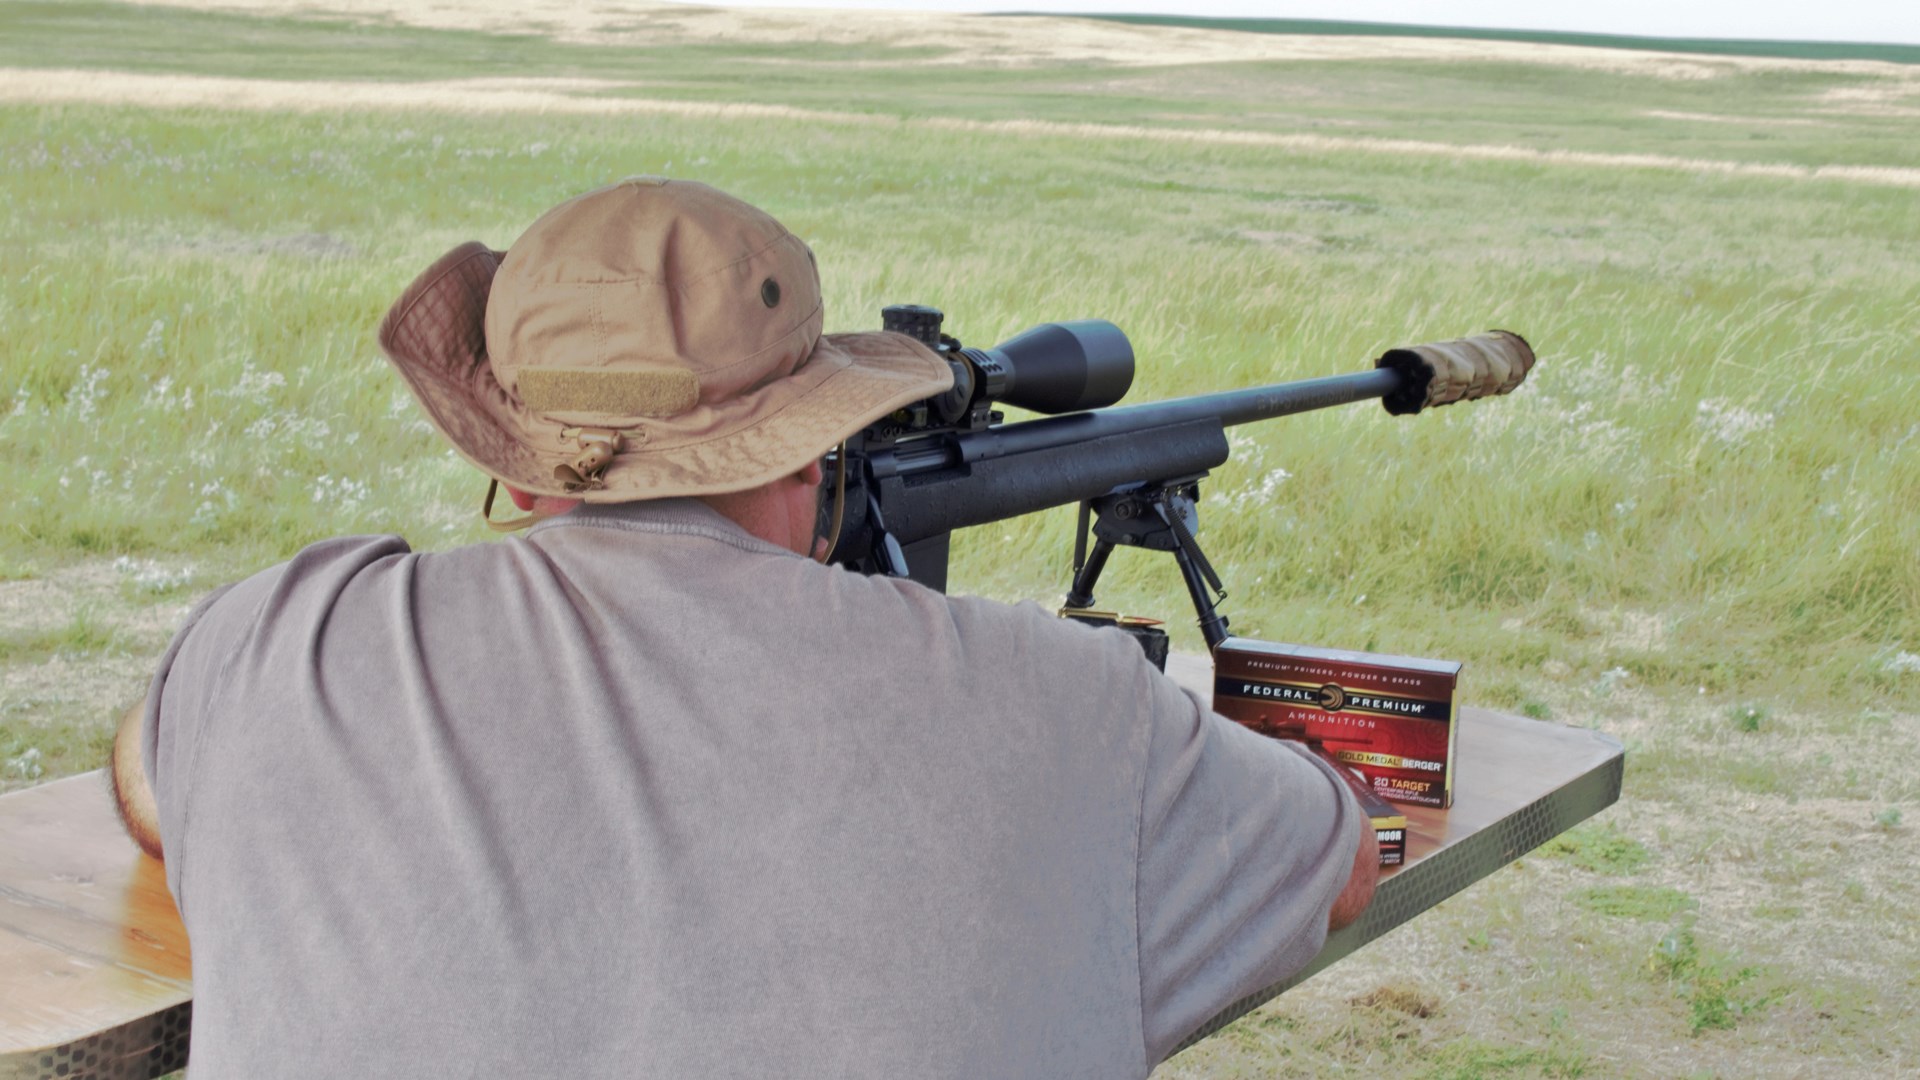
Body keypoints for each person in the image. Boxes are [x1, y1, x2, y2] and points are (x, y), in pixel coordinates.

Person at [110, 177, 1375, 1079]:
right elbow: (1340, 859)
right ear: (814, 447)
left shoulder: (279, 641)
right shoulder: (1070, 702)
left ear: (520, 461)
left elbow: (147, 779)